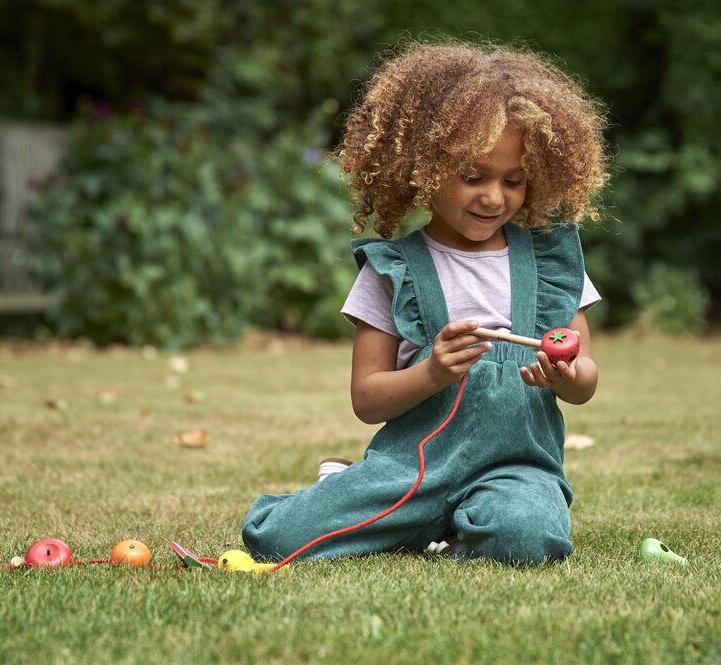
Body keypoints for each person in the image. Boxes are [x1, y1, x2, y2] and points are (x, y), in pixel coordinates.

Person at [243, 41, 608, 564]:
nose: (493, 197)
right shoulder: (394, 271)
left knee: (528, 538)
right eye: (473, 176)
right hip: (411, 468)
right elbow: (367, 400)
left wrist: (568, 378)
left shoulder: (551, 265)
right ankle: (368, 494)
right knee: (277, 540)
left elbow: (587, 378)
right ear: (425, 168)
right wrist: (433, 371)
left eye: (514, 181)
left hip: (516, 470)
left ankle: (460, 526)